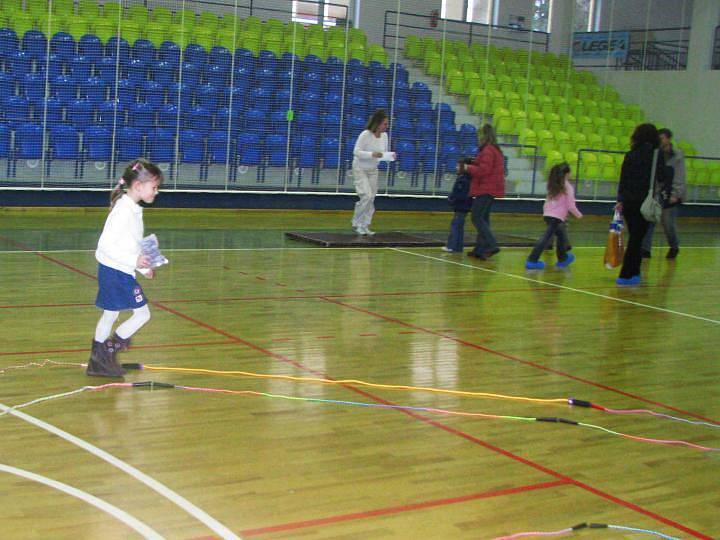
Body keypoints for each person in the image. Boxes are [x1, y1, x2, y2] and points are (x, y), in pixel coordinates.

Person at [87, 159, 164, 377]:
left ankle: (98, 362)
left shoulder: (132, 209)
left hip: (119, 270)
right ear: (138, 186)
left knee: (110, 315)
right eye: (154, 187)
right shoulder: (123, 211)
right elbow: (104, 247)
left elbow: (130, 245)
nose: (156, 192)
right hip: (116, 273)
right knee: (142, 314)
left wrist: (143, 267)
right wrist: (134, 262)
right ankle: (107, 352)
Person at [615, 124, 672, 286]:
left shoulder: (630, 154)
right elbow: (661, 176)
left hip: (628, 201)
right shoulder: (656, 154)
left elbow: (623, 179)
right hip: (644, 201)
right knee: (637, 238)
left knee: (636, 236)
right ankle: (626, 273)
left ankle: (635, 271)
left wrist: (620, 199)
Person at [525, 162, 582, 270]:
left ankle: (562, 258)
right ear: (566, 174)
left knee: (561, 236)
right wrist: (579, 215)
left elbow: (548, 201)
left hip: (548, 215)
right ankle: (532, 259)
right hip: (557, 217)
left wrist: (547, 213)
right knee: (546, 237)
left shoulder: (553, 184)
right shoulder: (567, 187)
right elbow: (571, 205)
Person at [641, 127, 686, 259]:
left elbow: (679, 175)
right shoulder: (655, 153)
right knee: (650, 219)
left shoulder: (677, 155)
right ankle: (645, 249)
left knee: (668, 223)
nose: (660, 141)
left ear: (668, 139)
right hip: (656, 192)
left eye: (662, 138)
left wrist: (676, 194)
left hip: (670, 192)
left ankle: (674, 246)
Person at [351, 109, 394, 236]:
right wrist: (372, 154)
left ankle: (365, 225)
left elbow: (382, 154)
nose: (387, 126)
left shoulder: (385, 137)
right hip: (360, 168)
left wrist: (389, 156)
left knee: (372, 198)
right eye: (385, 124)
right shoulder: (365, 134)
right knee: (366, 195)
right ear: (377, 123)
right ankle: (356, 223)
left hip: (373, 170)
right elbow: (356, 152)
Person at [466, 124, 505, 259]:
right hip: (491, 188)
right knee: (484, 219)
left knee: (476, 217)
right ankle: (480, 249)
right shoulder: (494, 149)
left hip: (486, 188)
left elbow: (484, 170)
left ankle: (491, 244)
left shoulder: (488, 150)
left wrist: (467, 168)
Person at [442, 158, 474, 252]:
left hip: (461, 206)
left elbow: (460, 194)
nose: (456, 167)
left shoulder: (463, 180)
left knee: (456, 226)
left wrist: (452, 199)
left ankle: (453, 246)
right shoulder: (466, 178)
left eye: (458, 165)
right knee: (458, 226)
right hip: (463, 206)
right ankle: (457, 246)